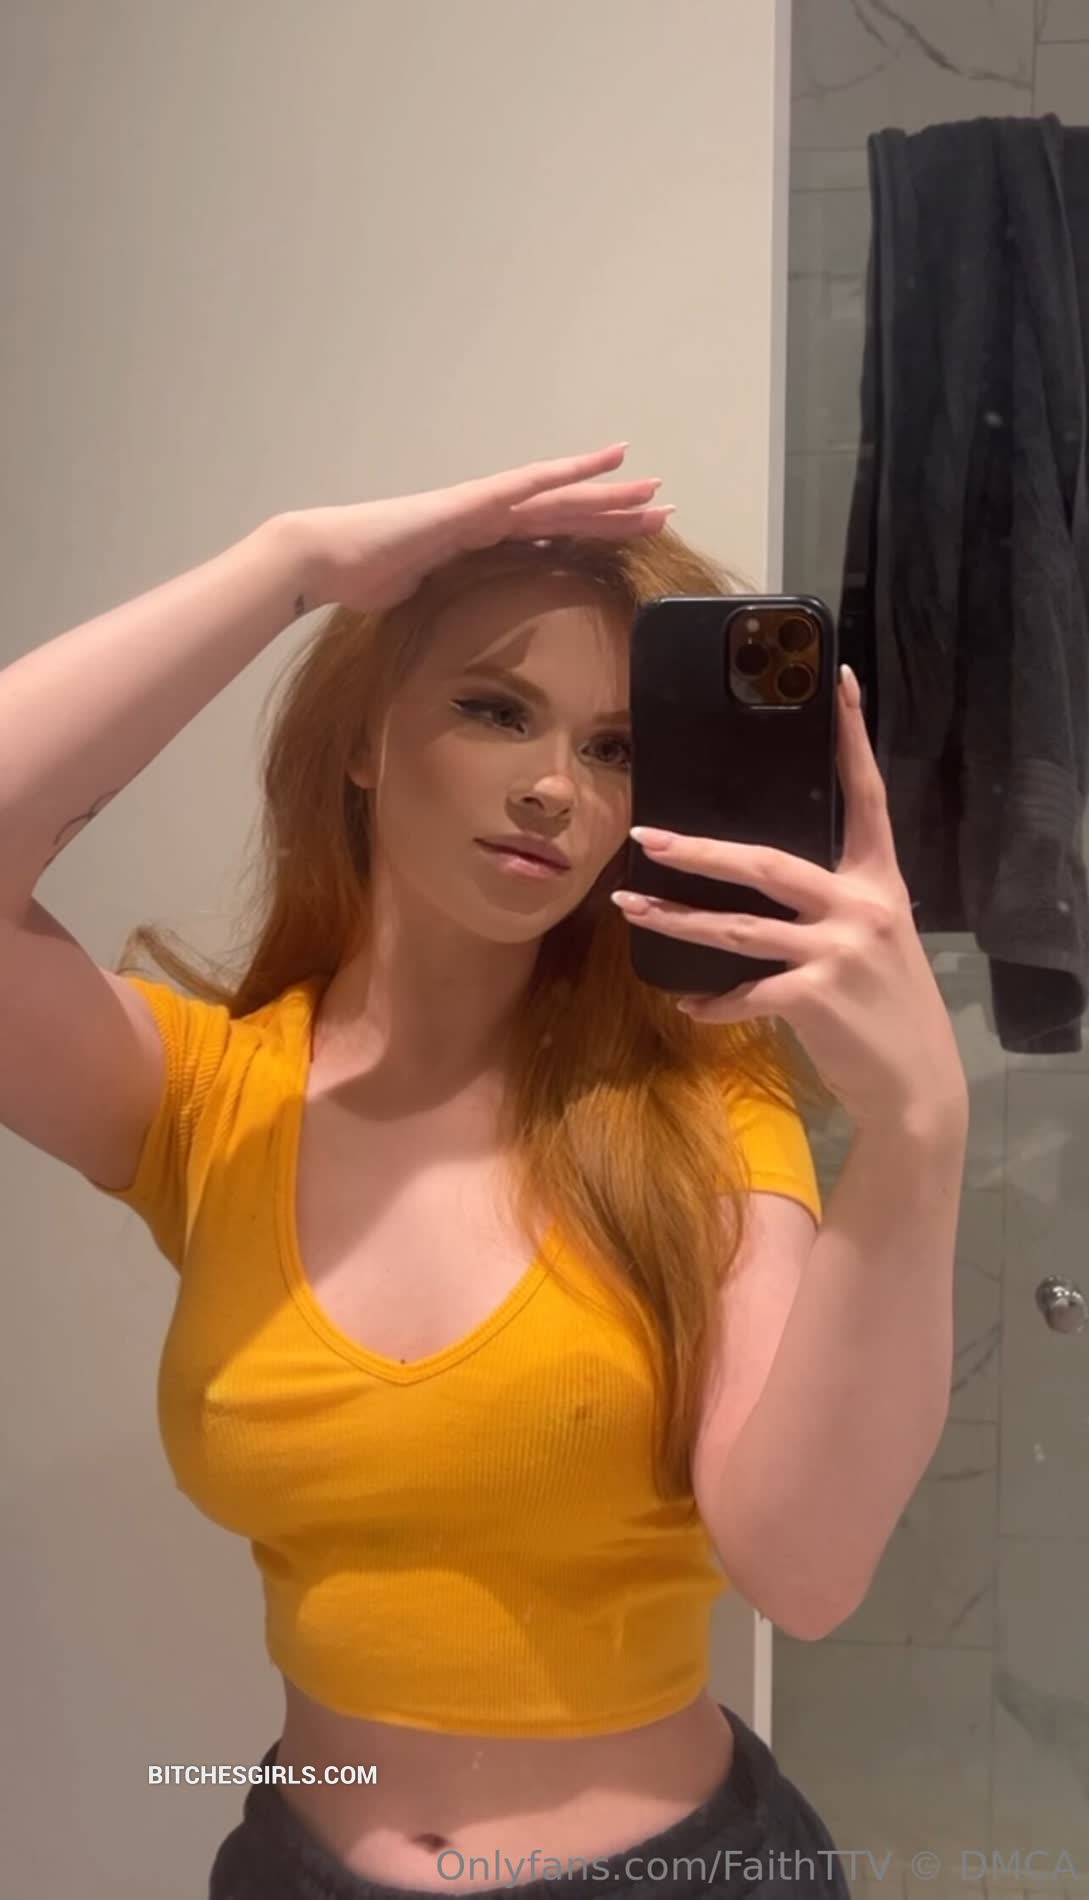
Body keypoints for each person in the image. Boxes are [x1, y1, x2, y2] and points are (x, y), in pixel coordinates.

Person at [0, 443, 970, 1899]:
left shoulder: (700, 1104)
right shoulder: (209, 1099)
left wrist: (916, 1133)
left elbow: (807, 1573)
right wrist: (288, 563)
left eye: (613, 748)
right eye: (495, 709)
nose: (552, 789)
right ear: (365, 740)